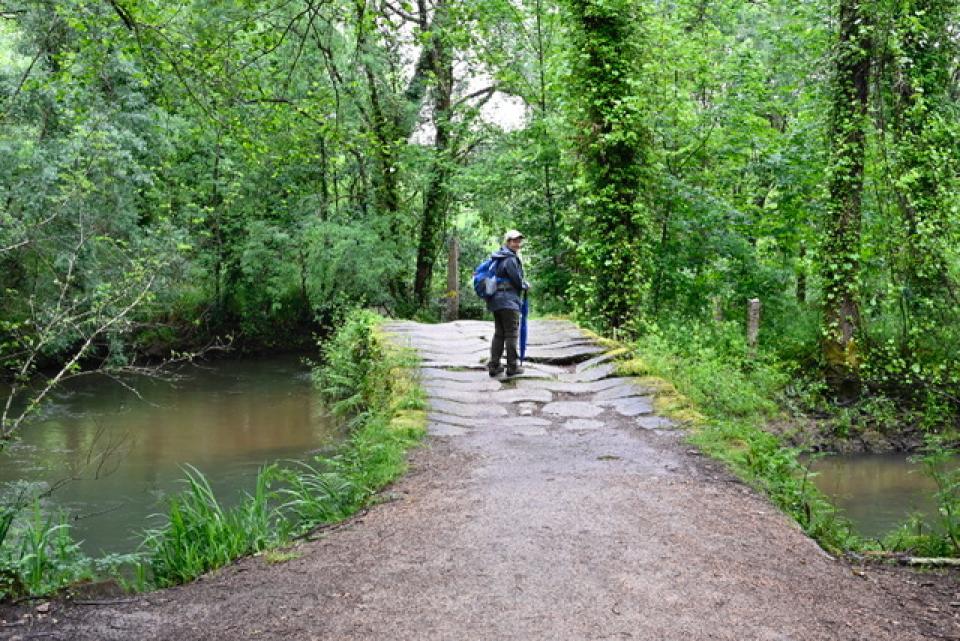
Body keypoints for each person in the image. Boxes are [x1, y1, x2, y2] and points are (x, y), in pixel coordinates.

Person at [486, 229, 529, 377]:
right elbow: (517, 280)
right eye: (514, 240)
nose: (517, 243)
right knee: (511, 334)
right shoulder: (510, 259)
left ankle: (494, 366)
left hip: (496, 300)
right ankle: (512, 367)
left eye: (519, 241)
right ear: (508, 242)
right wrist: (525, 285)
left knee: (499, 334)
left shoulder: (498, 256)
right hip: (508, 301)